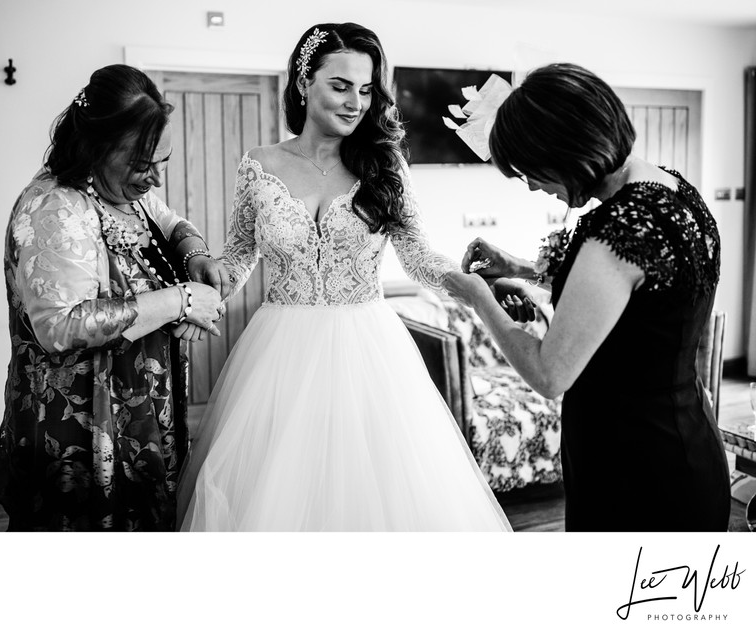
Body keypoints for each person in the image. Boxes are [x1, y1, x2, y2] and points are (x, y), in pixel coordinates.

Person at [176, 23, 511, 531]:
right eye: (340, 85)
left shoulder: (385, 164)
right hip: (278, 354)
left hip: (368, 350)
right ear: (304, 82)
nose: (356, 101)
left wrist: (463, 283)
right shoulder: (258, 166)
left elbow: (417, 253)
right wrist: (208, 283)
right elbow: (241, 257)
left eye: (366, 88)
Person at [444, 63, 731, 531]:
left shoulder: (615, 230)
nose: (534, 186)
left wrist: (480, 298)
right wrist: (520, 267)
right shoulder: (674, 192)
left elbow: (548, 373)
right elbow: (640, 298)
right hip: (686, 438)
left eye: (530, 172)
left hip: (634, 468)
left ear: (562, 150)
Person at [0, 64, 228, 531]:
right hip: (79, 423)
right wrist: (178, 301)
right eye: (144, 165)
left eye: (164, 160)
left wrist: (194, 251)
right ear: (97, 149)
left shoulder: (121, 190)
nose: (157, 178)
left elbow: (168, 219)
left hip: (134, 410)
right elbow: (59, 327)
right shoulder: (56, 207)